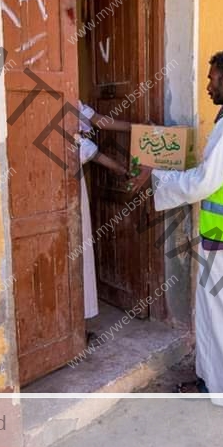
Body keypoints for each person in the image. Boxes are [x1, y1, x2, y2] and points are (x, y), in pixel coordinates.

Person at [150, 51, 223, 412]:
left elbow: (205, 181)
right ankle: (216, 384)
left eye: (212, 78)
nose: (208, 86)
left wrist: (157, 178)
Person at [75, 101, 151, 321]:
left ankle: (80, 317)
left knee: (80, 243)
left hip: (75, 180)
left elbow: (98, 120)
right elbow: (85, 149)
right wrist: (120, 168)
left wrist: (135, 128)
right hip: (59, 182)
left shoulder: (68, 95)